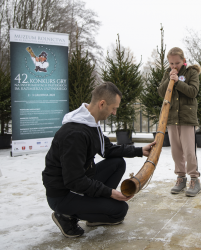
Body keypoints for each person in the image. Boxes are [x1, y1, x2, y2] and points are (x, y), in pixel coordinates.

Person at [42, 82, 155, 238]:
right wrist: (110, 193)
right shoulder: (75, 134)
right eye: (114, 108)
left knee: (117, 163)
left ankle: (93, 211)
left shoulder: (90, 123)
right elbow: (74, 180)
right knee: (119, 211)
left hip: (79, 183)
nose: (114, 113)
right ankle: (66, 216)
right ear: (102, 104)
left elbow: (108, 149)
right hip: (63, 194)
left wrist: (139, 151)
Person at [158, 47, 201, 197]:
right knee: (176, 151)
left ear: (183, 60)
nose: (174, 66)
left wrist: (178, 82)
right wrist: (170, 79)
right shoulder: (168, 73)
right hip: (172, 119)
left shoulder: (191, 72)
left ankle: (194, 179)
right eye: (171, 63)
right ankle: (181, 178)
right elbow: (161, 92)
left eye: (177, 62)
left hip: (187, 118)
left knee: (189, 151)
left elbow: (193, 92)